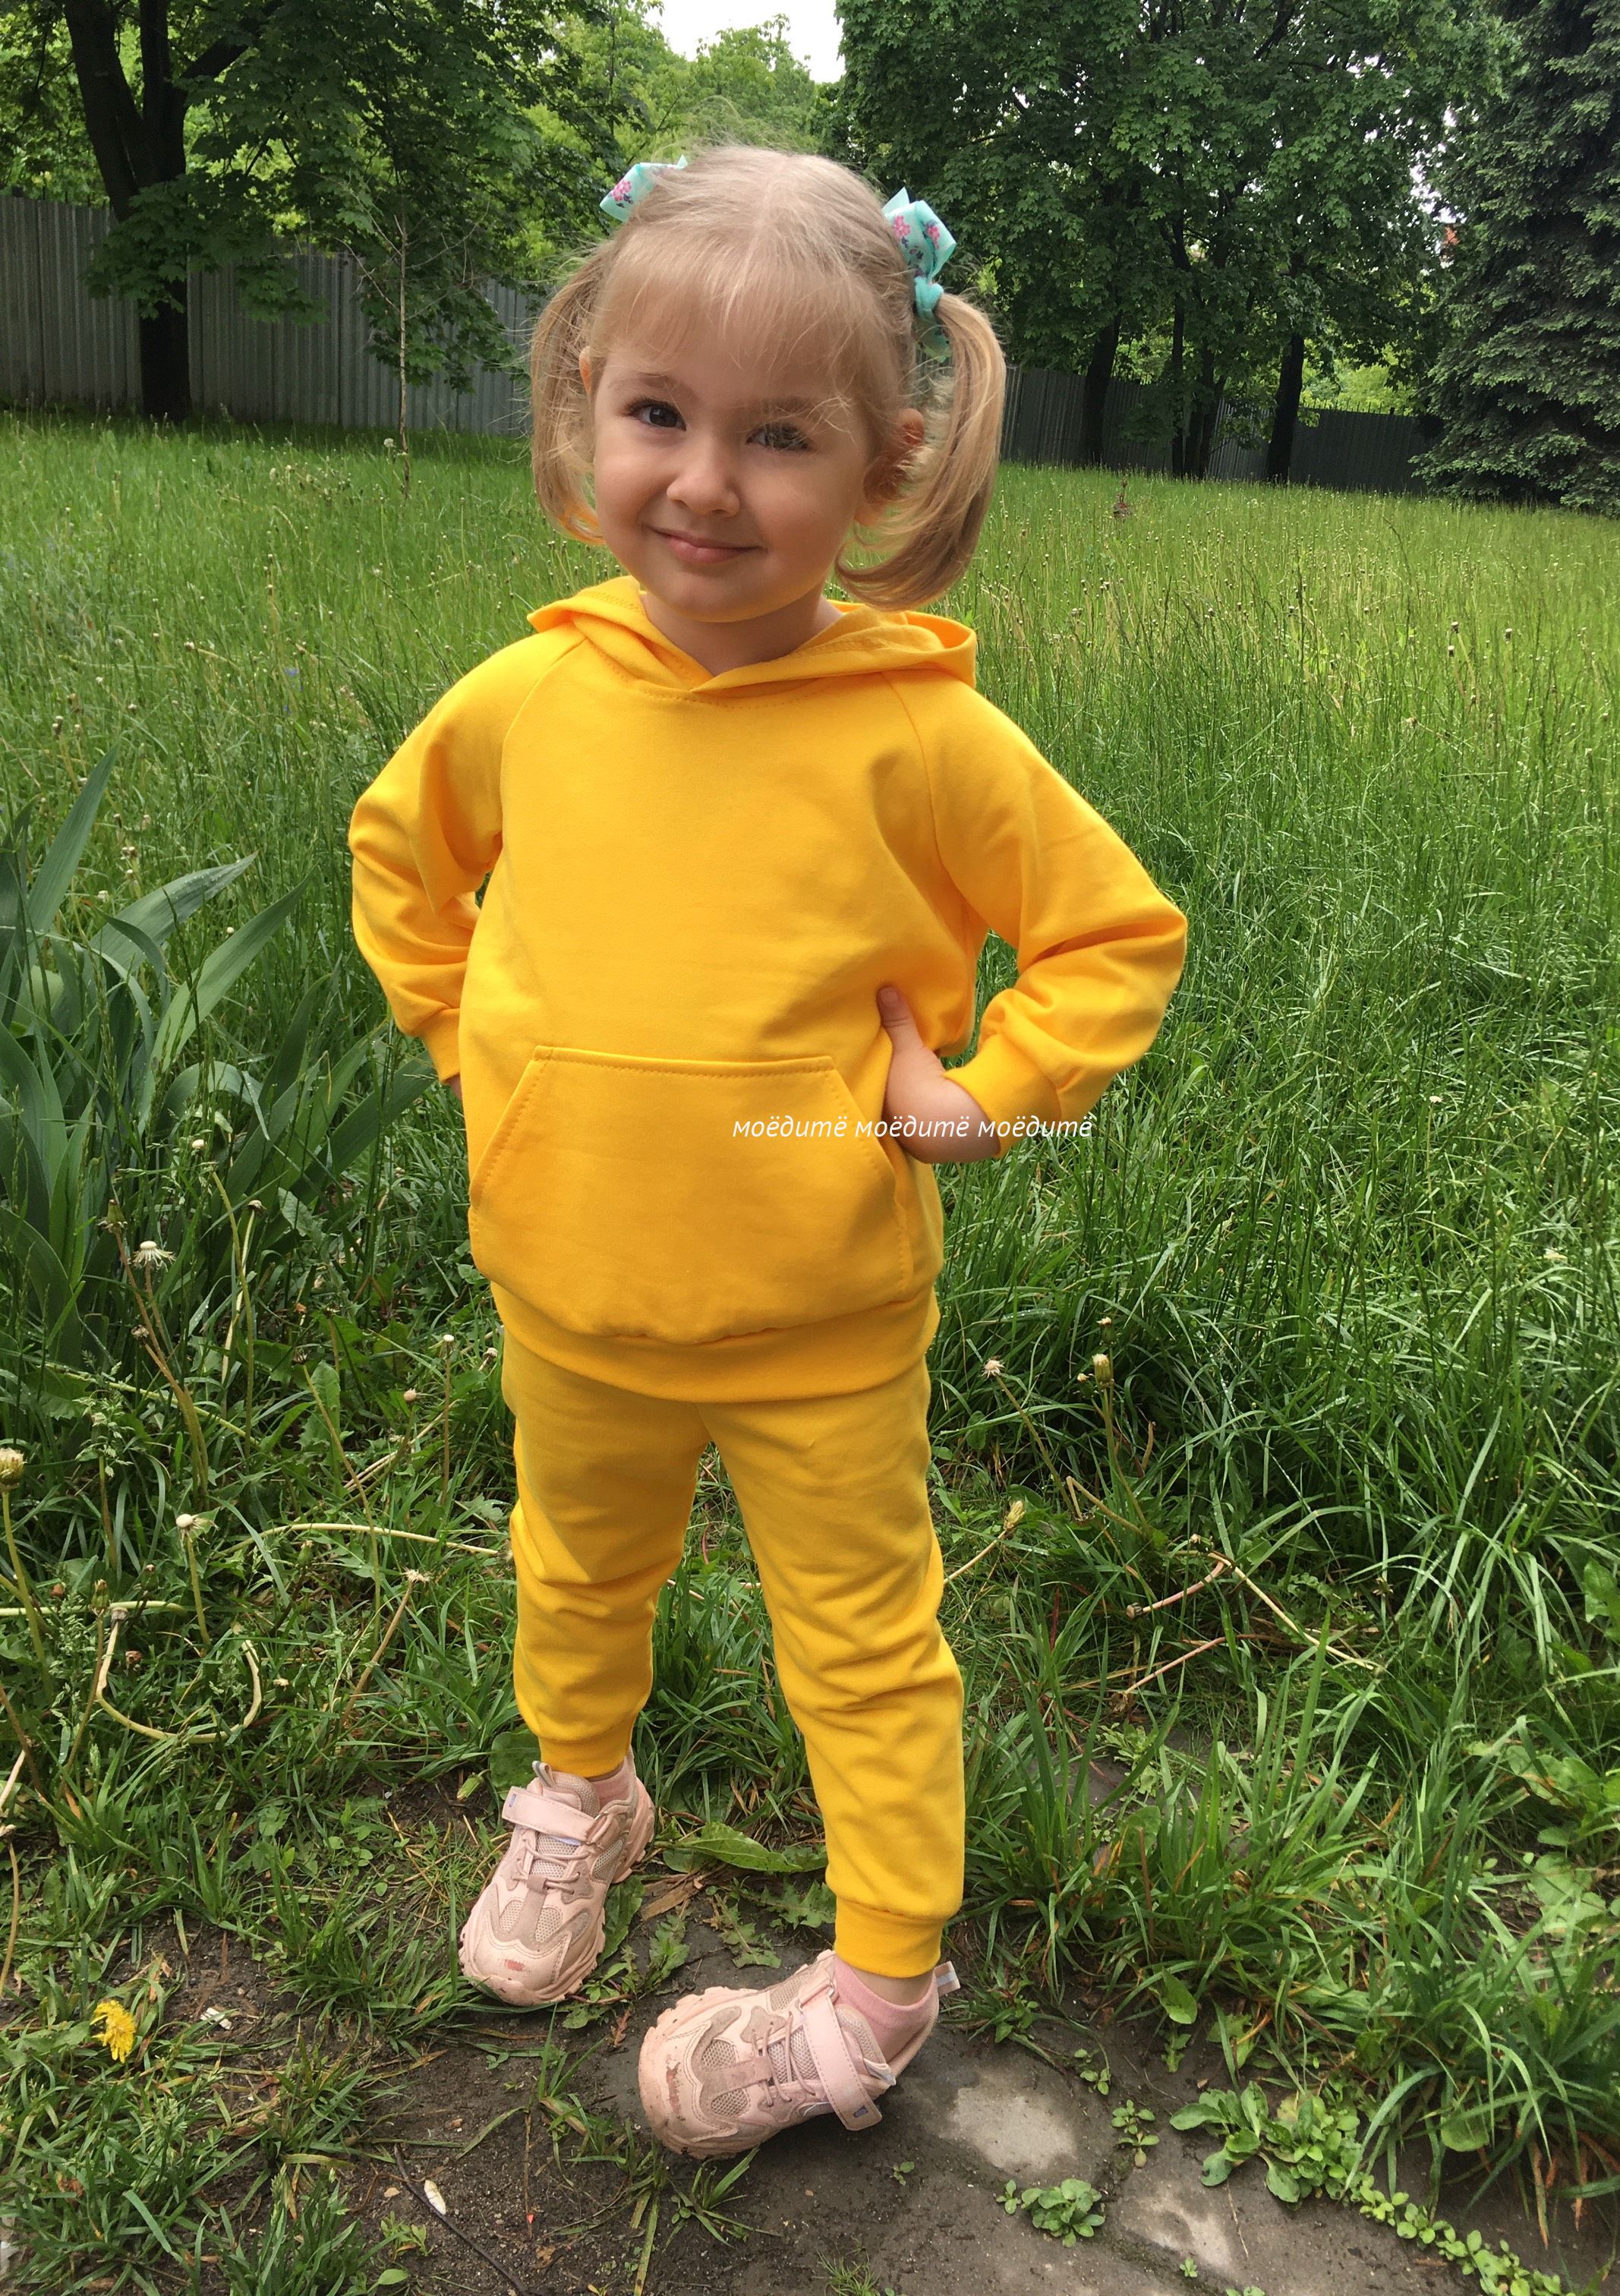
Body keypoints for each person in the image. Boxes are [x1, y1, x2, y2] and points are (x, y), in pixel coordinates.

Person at [346, 143, 1187, 2160]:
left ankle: (883, 1980)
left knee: (864, 1642)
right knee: (576, 1562)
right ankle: (581, 1795)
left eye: (779, 437)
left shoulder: (917, 736)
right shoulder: (529, 697)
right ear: (584, 409)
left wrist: (993, 1088)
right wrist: (478, 1049)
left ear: (888, 466)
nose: (705, 484)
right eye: (659, 414)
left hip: (819, 1315)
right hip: (571, 1287)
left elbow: (1111, 934)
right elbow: (401, 856)